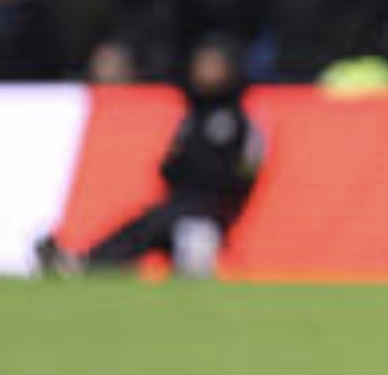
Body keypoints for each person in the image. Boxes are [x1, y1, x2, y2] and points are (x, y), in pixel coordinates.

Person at [38, 37, 263, 279]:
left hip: (208, 215)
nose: (203, 72)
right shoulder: (194, 115)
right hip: (179, 205)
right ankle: (88, 262)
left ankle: (89, 264)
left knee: (165, 224)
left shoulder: (240, 122)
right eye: (201, 64)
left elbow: (242, 175)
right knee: (143, 223)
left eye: (212, 65)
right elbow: (169, 168)